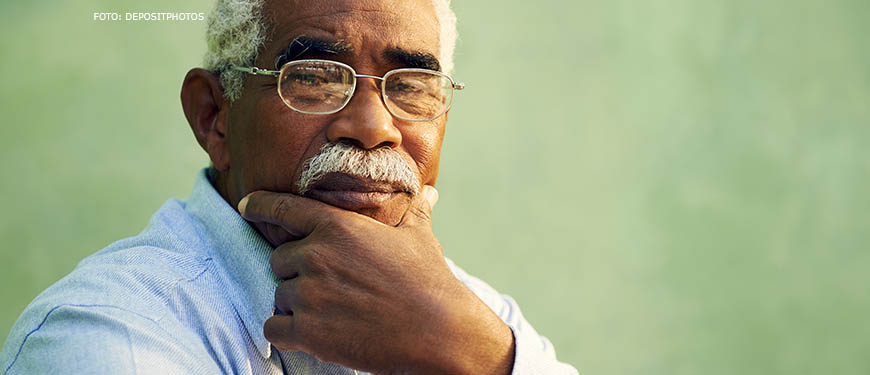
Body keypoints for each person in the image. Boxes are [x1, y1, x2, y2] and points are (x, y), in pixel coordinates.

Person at [1, 0, 578, 373]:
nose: (375, 128)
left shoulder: (474, 317)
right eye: (316, 78)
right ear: (215, 118)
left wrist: (473, 352)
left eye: (411, 86)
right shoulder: (106, 335)